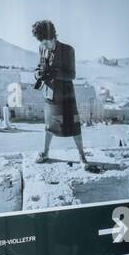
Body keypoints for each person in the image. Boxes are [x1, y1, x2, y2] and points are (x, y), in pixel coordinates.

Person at [31, 19, 96, 171]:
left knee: (74, 126)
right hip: (49, 94)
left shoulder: (68, 50)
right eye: (42, 43)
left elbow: (71, 75)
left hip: (66, 96)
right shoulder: (42, 48)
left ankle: (82, 157)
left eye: (46, 43)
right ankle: (46, 153)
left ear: (53, 37)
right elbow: (37, 67)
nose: (44, 46)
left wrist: (54, 73)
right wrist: (38, 73)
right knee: (49, 126)